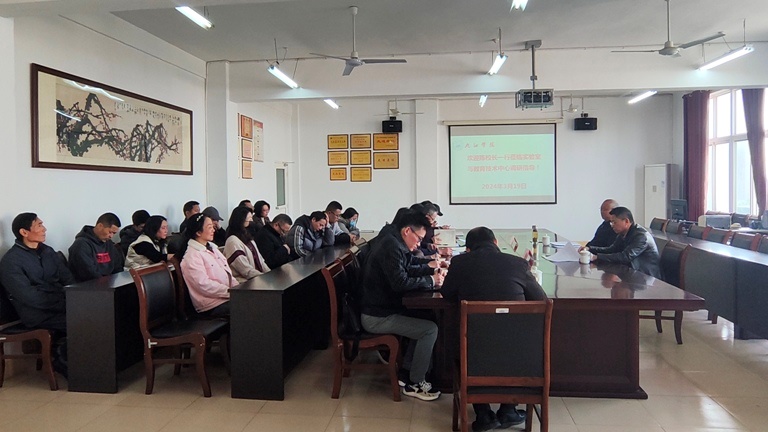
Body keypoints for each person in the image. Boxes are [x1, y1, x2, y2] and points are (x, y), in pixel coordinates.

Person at [441, 226, 547, 431]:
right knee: (511, 341)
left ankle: (483, 414)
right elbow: (540, 299)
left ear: (468, 249)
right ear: (496, 242)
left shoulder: (460, 263)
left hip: (474, 353)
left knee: (474, 343)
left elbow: (447, 293)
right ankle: (508, 410)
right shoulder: (518, 263)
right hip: (519, 356)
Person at [360, 210, 443, 401]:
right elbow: (400, 283)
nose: (419, 243)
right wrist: (431, 280)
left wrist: (430, 269)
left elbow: (407, 265)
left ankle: (407, 374)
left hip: (382, 308)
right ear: (407, 231)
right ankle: (416, 382)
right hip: (376, 317)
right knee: (429, 330)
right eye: (419, 238)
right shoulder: (391, 246)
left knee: (427, 316)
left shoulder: (393, 240)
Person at [0, 213, 73, 376]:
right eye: (39, 225)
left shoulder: (48, 252)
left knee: (97, 316)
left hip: (60, 304)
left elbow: (68, 278)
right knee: (83, 322)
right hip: (37, 314)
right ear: (24, 232)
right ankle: (62, 361)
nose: (44, 229)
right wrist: (64, 302)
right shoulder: (11, 262)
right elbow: (30, 297)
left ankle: (92, 364)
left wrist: (75, 298)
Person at [177, 213, 233, 318]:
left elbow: (227, 272)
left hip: (226, 296)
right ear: (198, 232)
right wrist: (231, 292)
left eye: (213, 227)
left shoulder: (212, 248)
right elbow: (203, 285)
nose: (213, 230)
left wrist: (238, 289)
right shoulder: (191, 256)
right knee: (248, 307)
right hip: (211, 305)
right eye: (210, 227)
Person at [583, 206, 662, 278]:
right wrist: (590, 248)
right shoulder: (623, 233)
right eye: (611, 222)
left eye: (614, 222)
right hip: (632, 273)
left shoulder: (641, 236)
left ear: (626, 221)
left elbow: (626, 256)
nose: (612, 225)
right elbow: (612, 249)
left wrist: (597, 257)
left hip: (647, 278)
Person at [68, 212, 124, 282]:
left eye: (114, 233)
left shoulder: (109, 244)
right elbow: (90, 274)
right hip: (89, 285)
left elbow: (118, 267)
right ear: (100, 226)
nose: (111, 236)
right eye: (110, 232)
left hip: (109, 284)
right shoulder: (81, 245)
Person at [224, 206, 270, 283]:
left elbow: (261, 260)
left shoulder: (247, 236)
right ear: (241, 220)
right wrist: (264, 278)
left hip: (257, 277)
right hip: (244, 282)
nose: (252, 221)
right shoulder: (232, 241)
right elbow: (245, 269)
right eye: (249, 219)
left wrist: (270, 274)